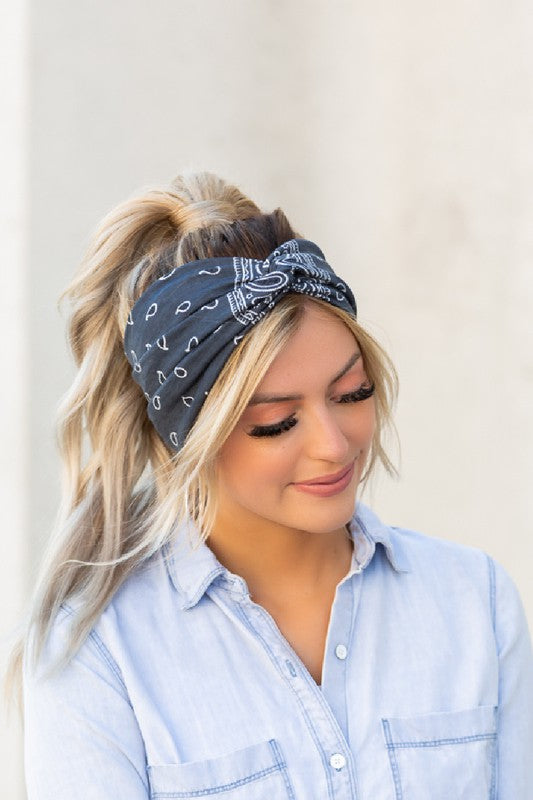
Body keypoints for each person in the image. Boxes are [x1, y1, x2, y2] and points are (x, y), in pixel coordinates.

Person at [14, 172, 533, 799]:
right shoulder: (98, 657)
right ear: (188, 436)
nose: (333, 445)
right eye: (276, 422)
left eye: (352, 393)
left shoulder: (473, 602)